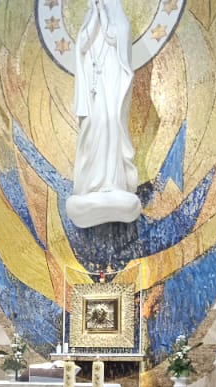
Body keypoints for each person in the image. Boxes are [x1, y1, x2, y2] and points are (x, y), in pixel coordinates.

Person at [67, 0, 141, 228]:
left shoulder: (119, 20)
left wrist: (105, 15)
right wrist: (94, 16)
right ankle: (91, 183)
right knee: (93, 127)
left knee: (111, 125)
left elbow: (116, 36)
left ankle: (113, 181)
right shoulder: (90, 20)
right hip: (94, 91)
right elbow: (82, 44)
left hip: (112, 87)